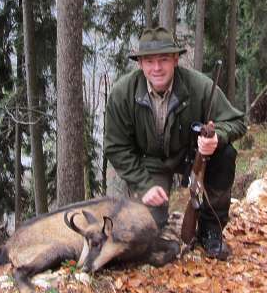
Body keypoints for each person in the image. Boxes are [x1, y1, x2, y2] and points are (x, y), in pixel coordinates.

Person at [104, 27, 247, 260]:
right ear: (140, 64)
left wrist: (216, 137)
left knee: (225, 154)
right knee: (148, 230)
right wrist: (144, 185)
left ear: (175, 60)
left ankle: (211, 229)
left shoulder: (200, 86)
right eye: (149, 61)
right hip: (149, 164)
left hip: (190, 156)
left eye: (163, 59)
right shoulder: (122, 94)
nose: (157, 68)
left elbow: (237, 121)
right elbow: (116, 147)